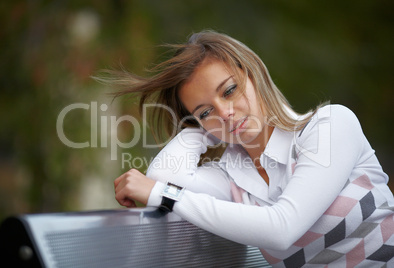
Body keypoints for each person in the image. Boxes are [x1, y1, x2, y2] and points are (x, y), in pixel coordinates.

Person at [109, 30, 394, 267]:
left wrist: (162, 195)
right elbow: (163, 175)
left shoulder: (330, 125)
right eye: (205, 111)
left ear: (254, 75)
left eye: (229, 90)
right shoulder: (233, 180)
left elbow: (282, 228)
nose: (225, 112)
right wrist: (201, 131)